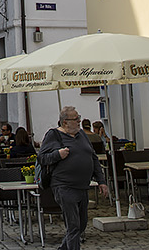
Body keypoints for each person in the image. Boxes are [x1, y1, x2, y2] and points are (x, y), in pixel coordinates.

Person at [39, 106, 109, 250]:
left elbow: (93, 158)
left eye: (79, 117)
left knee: (81, 224)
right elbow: (42, 158)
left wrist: (101, 181)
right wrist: (58, 155)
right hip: (64, 186)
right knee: (74, 225)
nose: (79, 121)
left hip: (82, 186)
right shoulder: (54, 135)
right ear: (65, 122)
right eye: (76, 119)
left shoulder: (81, 134)